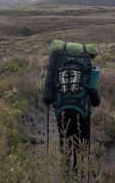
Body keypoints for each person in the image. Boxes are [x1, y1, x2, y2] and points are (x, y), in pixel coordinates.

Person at [42, 40, 101, 173]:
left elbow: (50, 84)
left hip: (62, 110)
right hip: (82, 111)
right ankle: (78, 174)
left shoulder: (58, 60)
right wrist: (96, 101)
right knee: (81, 147)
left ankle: (65, 174)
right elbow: (92, 91)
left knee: (65, 143)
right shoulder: (87, 61)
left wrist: (48, 99)